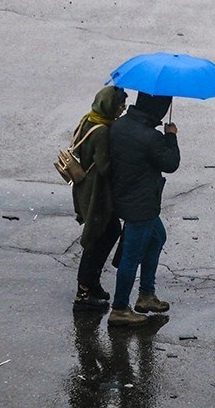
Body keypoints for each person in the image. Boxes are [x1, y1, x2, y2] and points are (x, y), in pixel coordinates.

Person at [108, 92, 180, 326]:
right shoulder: (151, 138)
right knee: (132, 254)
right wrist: (171, 137)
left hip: (124, 196)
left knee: (157, 237)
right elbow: (171, 164)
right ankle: (119, 308)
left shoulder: (120, 125)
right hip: (142, 204)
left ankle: (147, 295)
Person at [72, 86, 128, 311]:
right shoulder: (102, 131)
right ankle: (84, 292)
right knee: (98, 237)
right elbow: (105, 167)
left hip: (86, 188)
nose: (123, 108)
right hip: (97, 193)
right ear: (110, 106)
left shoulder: (88, 119)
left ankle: (92, 283)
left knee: (109, 231)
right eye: (120, 104)